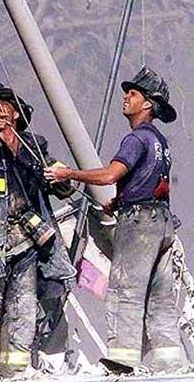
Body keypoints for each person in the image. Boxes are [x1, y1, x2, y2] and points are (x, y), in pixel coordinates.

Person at [44, 67, 182, 373]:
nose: (126, 97)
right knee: (160, 296)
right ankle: (172, 363)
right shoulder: (160, 141)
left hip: (139, 224)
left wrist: (67, 173)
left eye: (132, 94)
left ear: (147, 104)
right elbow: (149, 179)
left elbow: (109, 174)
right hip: (161, 222)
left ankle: (122, 360)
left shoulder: (136, 139)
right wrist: (118, 201)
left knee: (125, 290)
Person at [0, 83, 76, 379]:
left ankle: (16, 371)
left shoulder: (35, 146)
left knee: (24, 305)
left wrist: (59, 177)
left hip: (28, 241)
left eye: (4, 104)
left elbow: (64, 186)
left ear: (17, 113)